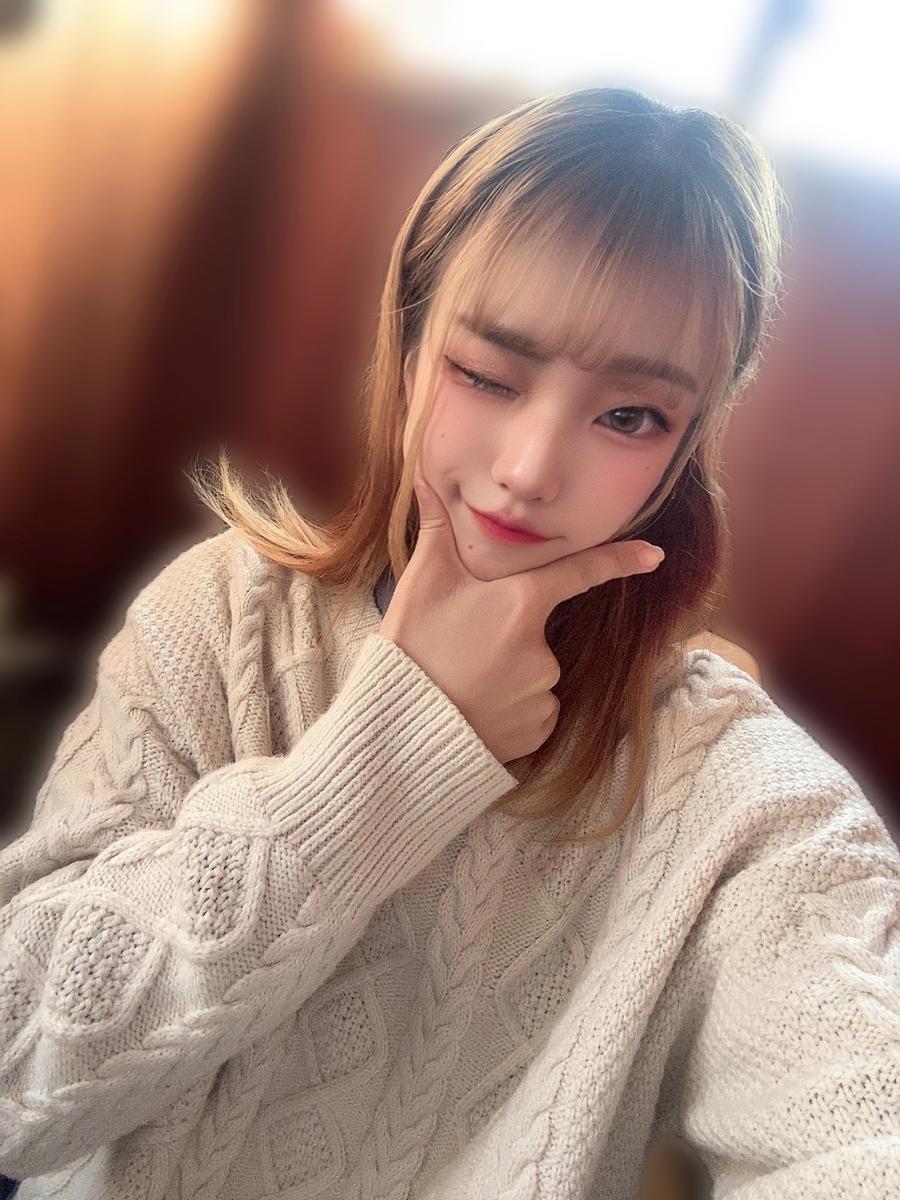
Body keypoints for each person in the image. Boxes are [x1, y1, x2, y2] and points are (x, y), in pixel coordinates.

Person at [0, 87, 897, 1200]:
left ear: (687, 440)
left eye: (630, 416)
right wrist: (388, 758)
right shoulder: (223, 618)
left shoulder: (738, 796)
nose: (528, 469)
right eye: (488, 374)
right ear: (412, 343)